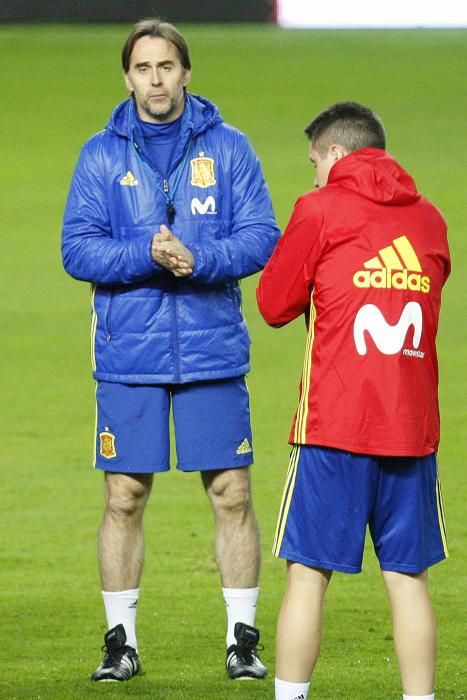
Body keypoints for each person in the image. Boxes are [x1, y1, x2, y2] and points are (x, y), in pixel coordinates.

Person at [62, 18, 280, 683]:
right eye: (141, 68)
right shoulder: (100, 154)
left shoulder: (231, 148)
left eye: (165, 66)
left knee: (232, 494)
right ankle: (120, 643)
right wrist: (145, 253)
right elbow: (76, 247)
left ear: (186, 72)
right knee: (124, 495)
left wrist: (201, 257)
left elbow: (262, 237)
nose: (154, 80)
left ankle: (242, 641)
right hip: (130, 355)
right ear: (127, 77)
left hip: (212, 353)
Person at [256, 102, 450, 700]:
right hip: (411, 433)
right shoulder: (431, 221)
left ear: (336, 153)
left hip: (332, 428)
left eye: (315, 161)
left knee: (308, 577)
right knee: (408, 580)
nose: (313, 173)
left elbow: (273, 304)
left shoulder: (320, 209)